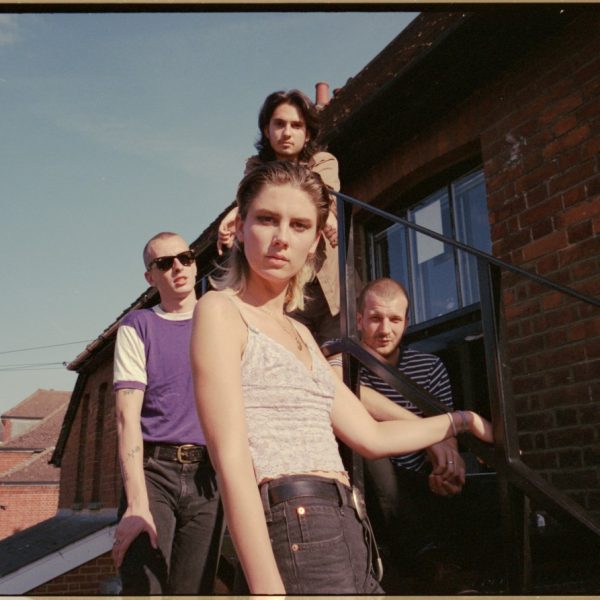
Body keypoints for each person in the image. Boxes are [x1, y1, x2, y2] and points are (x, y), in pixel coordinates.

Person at [190, 161, 493, 594]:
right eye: (267, 219)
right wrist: (266, 587)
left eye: (299, 225)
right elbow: (231, 459)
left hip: (348, 521)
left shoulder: (301, 334)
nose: (281, 237)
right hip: (292, 522)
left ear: (315, 241)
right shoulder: (221, 310)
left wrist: (462, 421)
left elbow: (371, 436)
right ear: (240, 228)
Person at [329, 277, 478, 593]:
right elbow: (341, 386)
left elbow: (446, 431)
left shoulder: (429, 366)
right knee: (368, 450)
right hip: (366, 481)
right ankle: (428, 562)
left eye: (395, 319)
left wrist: (448, 466)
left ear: (407, 322)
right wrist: (429, 434)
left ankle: (446, 566)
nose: (385, 329)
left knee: (460, 478)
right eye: (375, 318)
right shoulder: (344, 362)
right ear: (359, 320)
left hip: (417, 479)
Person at [112, 232, 222, 594]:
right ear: (150, 277)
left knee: (195, 591)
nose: (178, 267)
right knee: (146, 588)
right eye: (164, 263)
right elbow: (126, 417)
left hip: (209, 478)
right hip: (153, 473)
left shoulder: (222, 322)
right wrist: (136, 504)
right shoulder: (138, 326)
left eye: (185, 258)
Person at [216, 89, 341, 345]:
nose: (287, 133)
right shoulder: (255, 166)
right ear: (267, 129)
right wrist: (235, 212)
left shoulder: (323, 161)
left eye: (296, 125)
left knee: (336, 354)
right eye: (279, 124)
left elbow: (323, 198)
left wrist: (326, 213)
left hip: (325, 283)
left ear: (307, 134)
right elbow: (251, 199)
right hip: (282, 282)